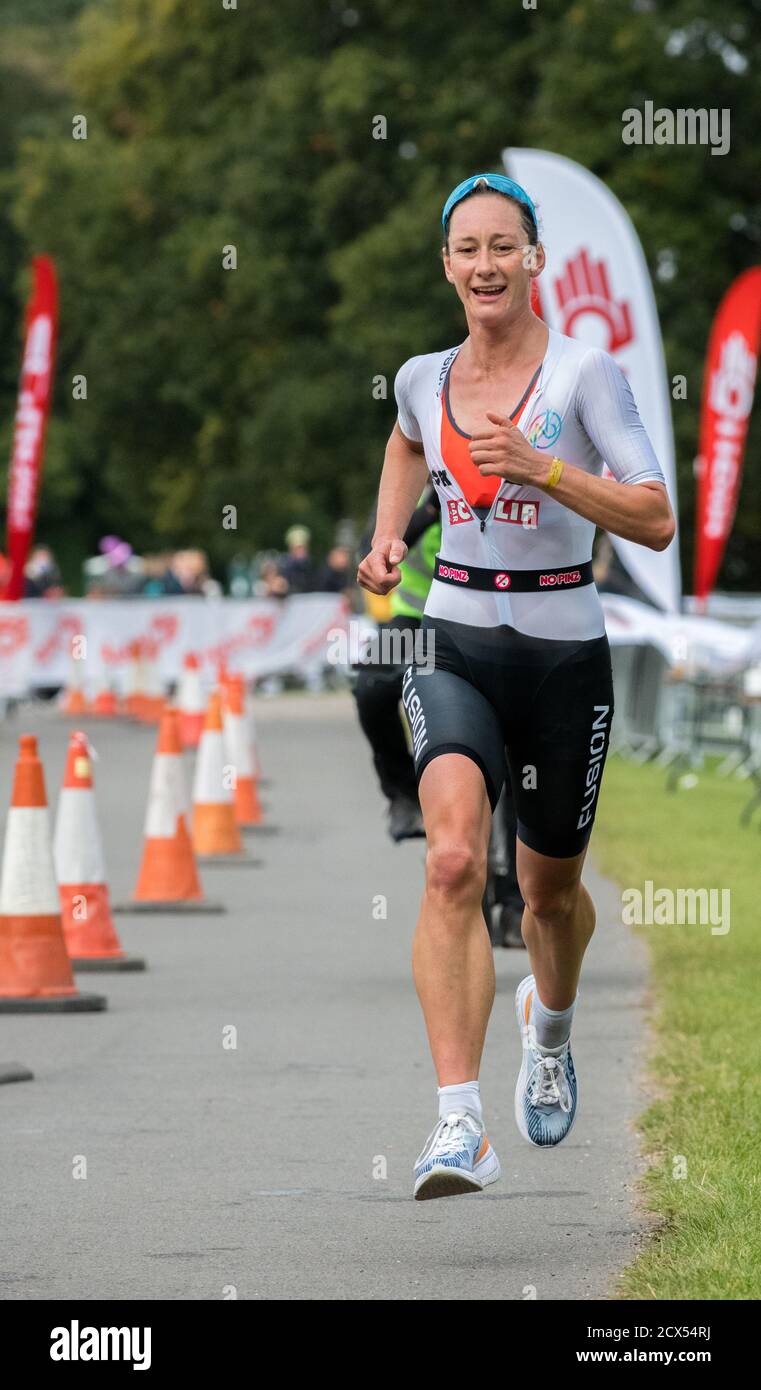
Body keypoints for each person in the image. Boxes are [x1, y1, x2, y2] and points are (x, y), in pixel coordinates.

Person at [357, 172, 675, 1201]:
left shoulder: (586, 376)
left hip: (562, 655)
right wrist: (384, 538)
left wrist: (545, 471)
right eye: (466, 249)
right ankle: (457, 1125)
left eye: (504, 246)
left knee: (547, 897)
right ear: (445, 264)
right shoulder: (420, 374)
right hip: (450, 638)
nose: (485, 265)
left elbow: (651, 514)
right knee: (450, 859)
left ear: (533, 260)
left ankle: (551, 1028)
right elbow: (407, 441)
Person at [353, 485, 440, 842]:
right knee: (371, 688)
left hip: (479, 619)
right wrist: (433, 507)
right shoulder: (414, 489)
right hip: (414, 619)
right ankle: (404, 794)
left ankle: (512, 887)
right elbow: (369, 550)